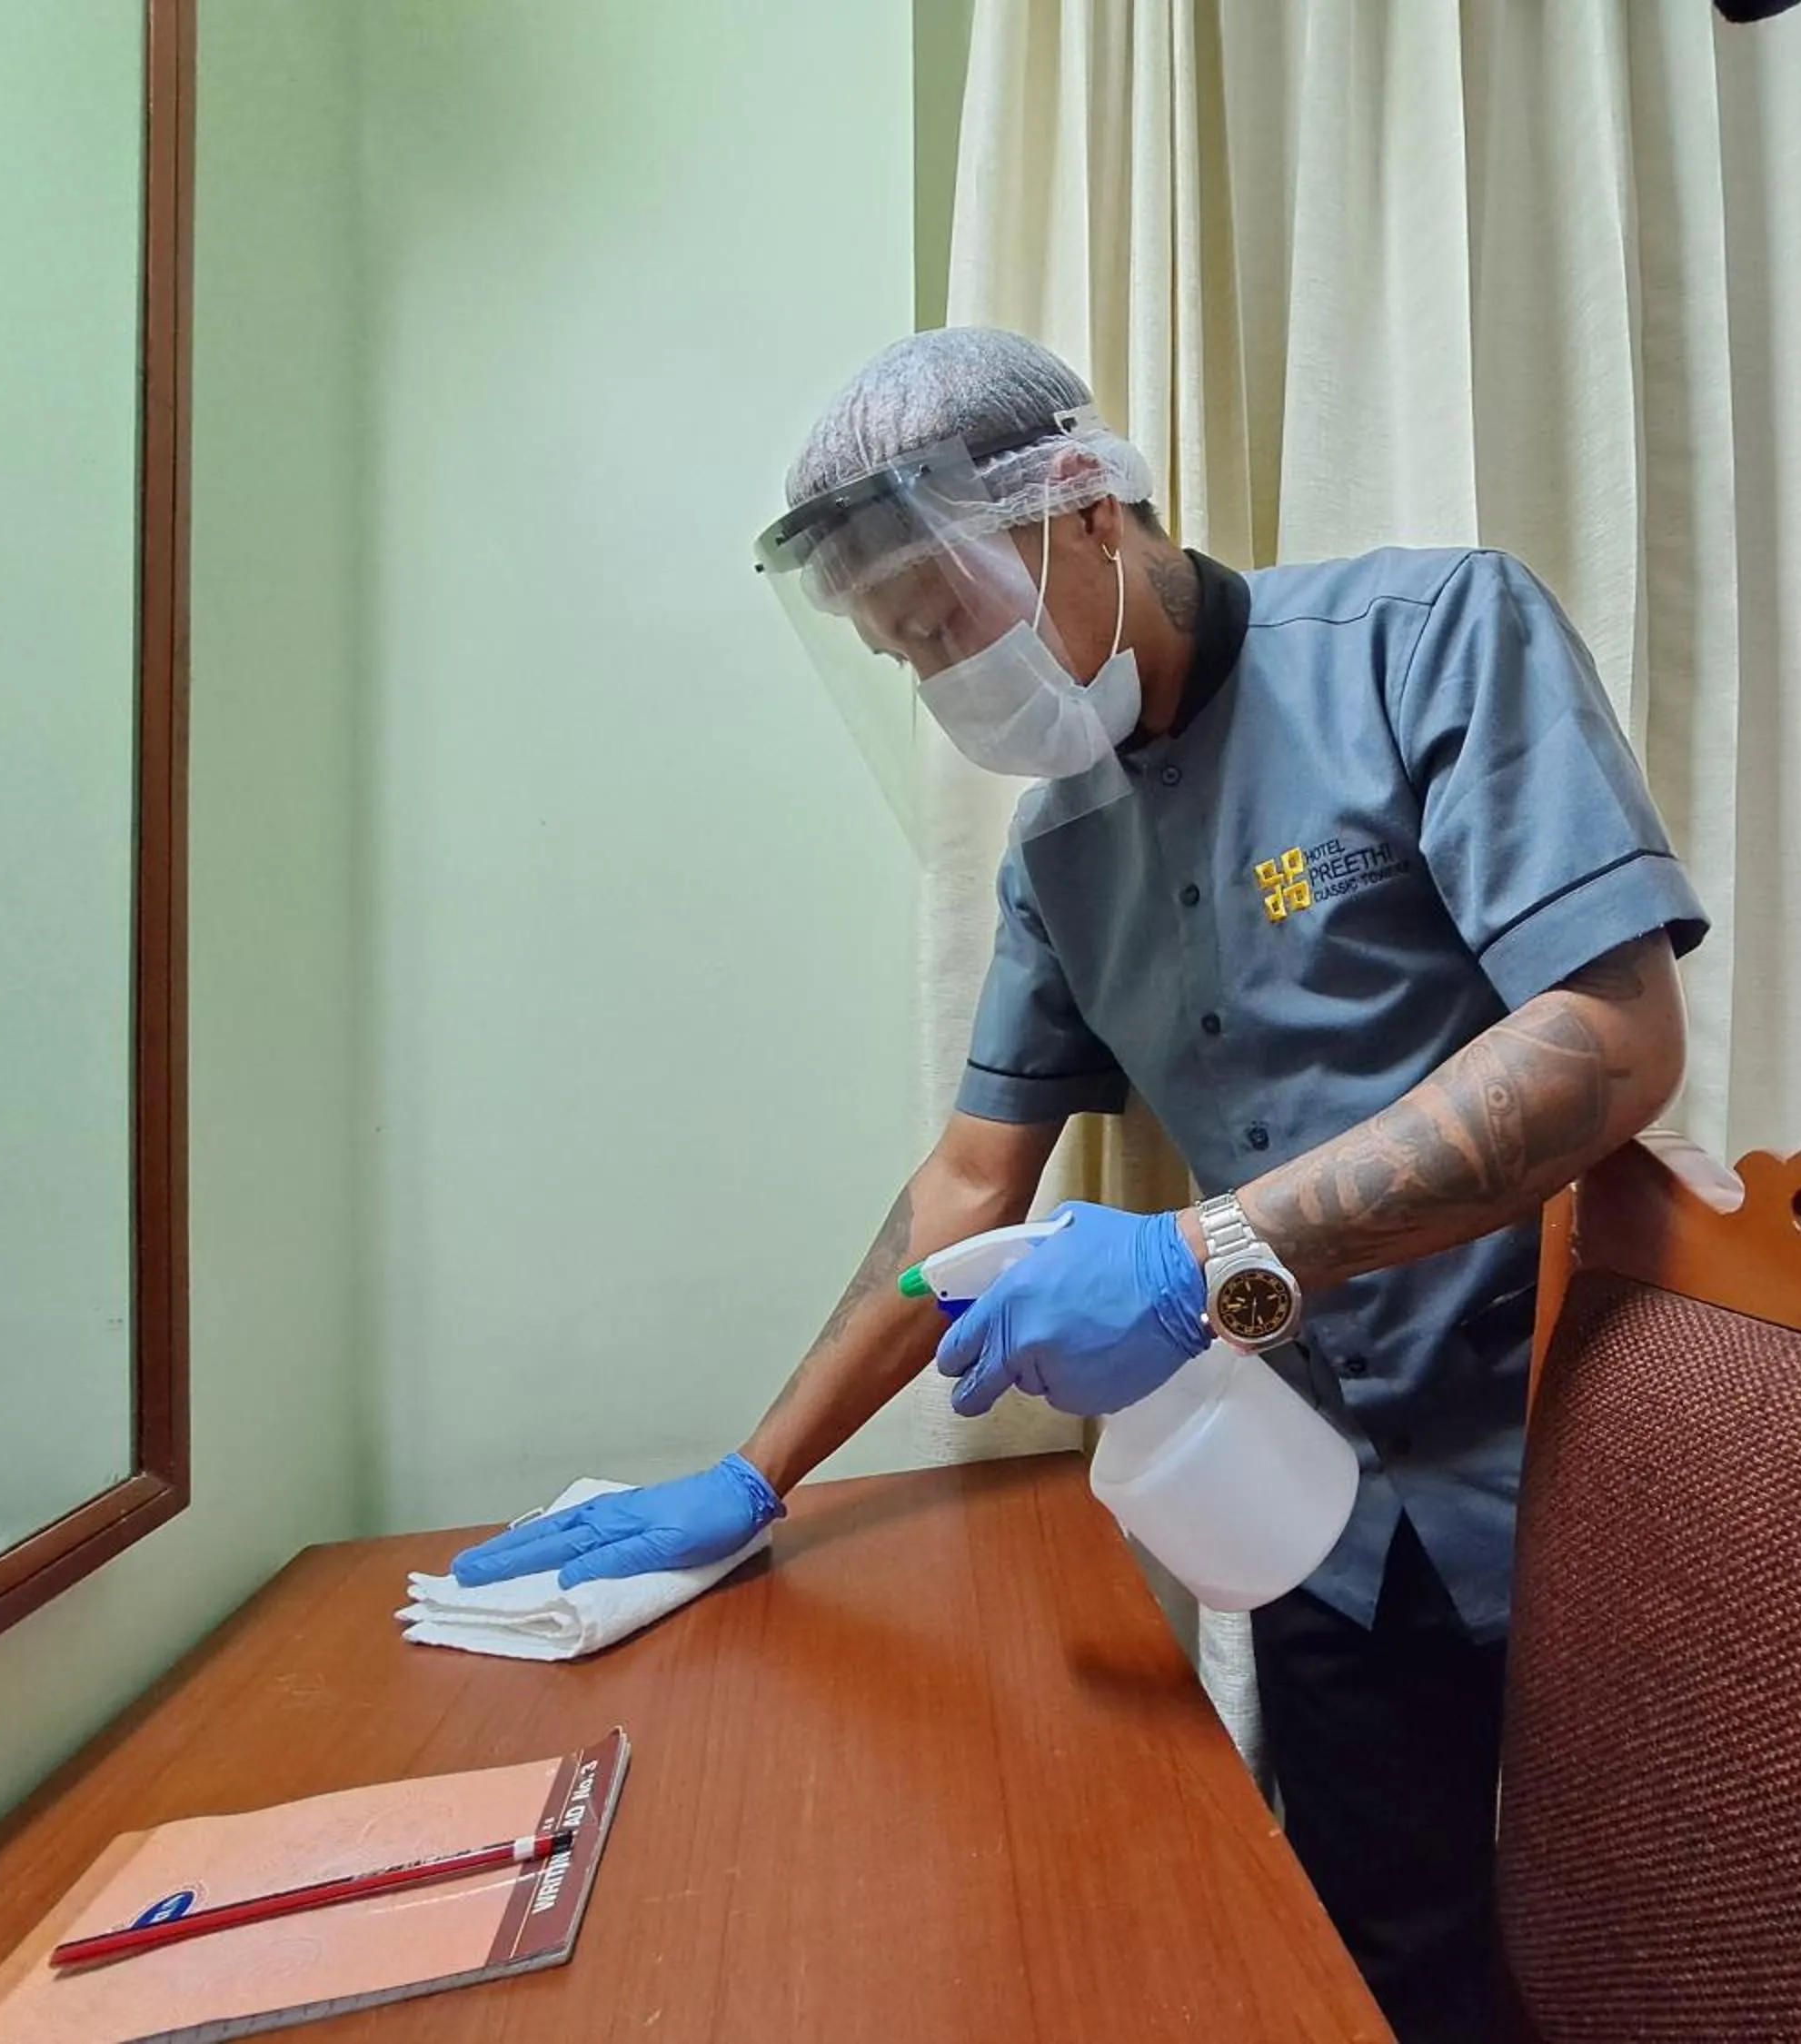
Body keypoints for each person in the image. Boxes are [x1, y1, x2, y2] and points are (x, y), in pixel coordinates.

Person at [453, 328, 1706, 2043]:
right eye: (905, 656)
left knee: (1649, 1958)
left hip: (1579, 1480)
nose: (950, 680)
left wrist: (1206, 1259)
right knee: (1386, 1976)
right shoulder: (1066, 851)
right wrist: (757, 1477)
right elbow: (972, 1178)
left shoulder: (1427, 641)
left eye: (954, 618)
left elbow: (1612, 1039)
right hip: (1323, 1522)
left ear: (1085, 511)